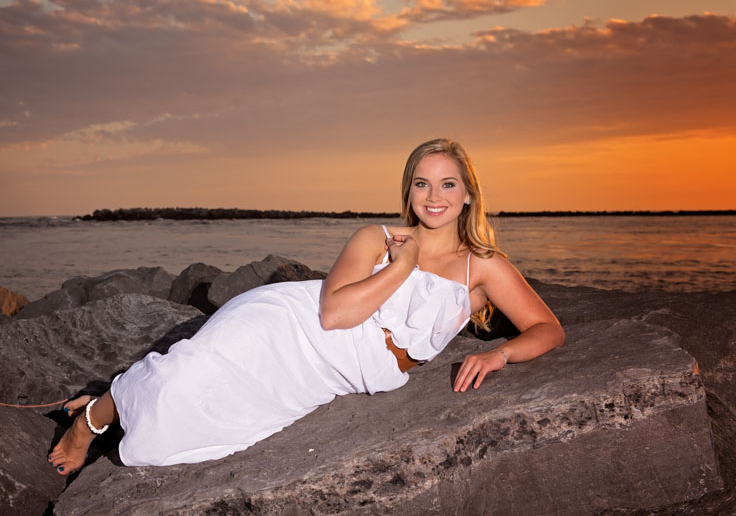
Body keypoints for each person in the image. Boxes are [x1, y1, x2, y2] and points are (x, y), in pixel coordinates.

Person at [47, 138, 565, 474]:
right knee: (188, 372)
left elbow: (547, 328)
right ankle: (94, 416)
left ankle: (109, 405)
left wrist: (500, 355)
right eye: (422, 183)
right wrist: (403, 267)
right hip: (288, 325)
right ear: (408, 192)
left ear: (470, 194)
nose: (435, 196)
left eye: (448, 183)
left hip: (339, 370)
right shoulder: (377, 238)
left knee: (212, 418)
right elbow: (333, 314)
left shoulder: (485, 267)